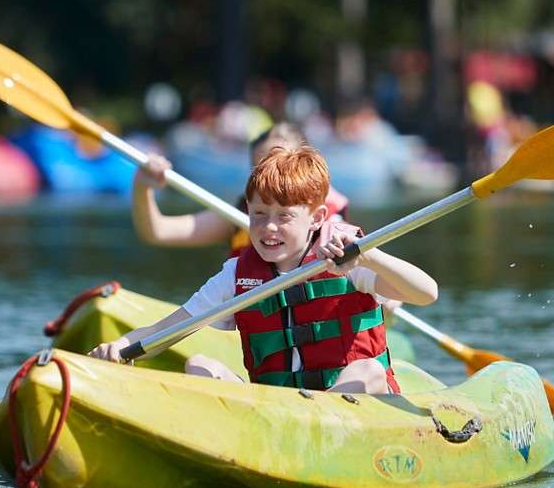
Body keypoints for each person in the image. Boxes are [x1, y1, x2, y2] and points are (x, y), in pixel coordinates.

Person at [91, 147, 437, 394]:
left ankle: (318, 431)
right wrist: (120, 346)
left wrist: (369, 258)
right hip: (279, 410)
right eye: (259, 215)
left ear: (316, 217)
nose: (268, 228)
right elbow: (168, 328)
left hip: (350, 405)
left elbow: (427, 293)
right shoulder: (236, 274)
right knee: (200, 365)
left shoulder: (345, 256)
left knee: (368, 371)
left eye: (284, 216)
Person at [132, 121, 348, 252]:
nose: (273, 175)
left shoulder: (325, 218)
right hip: (252, 323)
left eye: (284, 164)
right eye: (263, 166)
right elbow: (157, 231)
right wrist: (142, 187)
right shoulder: (239, 214)